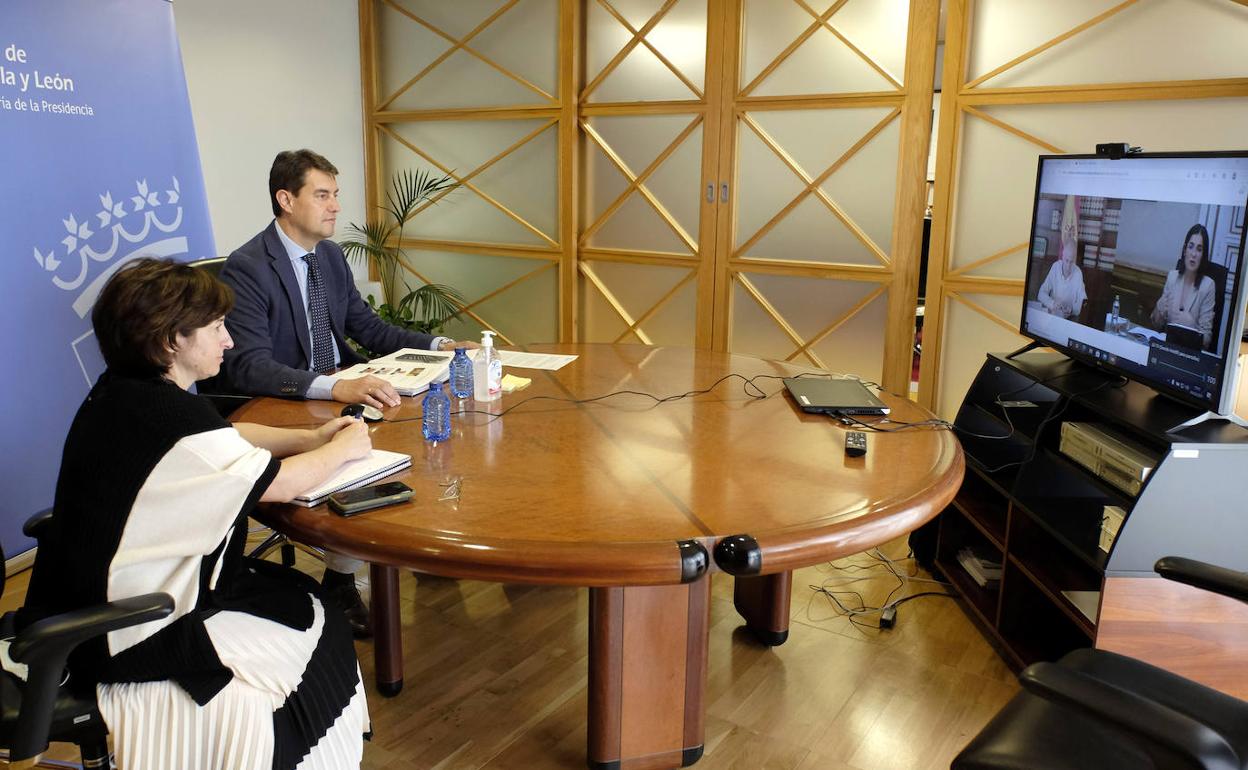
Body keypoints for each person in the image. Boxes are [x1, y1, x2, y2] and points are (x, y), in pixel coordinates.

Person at [18, 258, 371, 769]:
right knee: (317, 625)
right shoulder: (169, 415)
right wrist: (346, 447)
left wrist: (310, 437)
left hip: (76, 592)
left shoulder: (126, 392)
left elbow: (222, 438)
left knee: (306, 603)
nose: (228, 341)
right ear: (169, 342)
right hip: (126, 627)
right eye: (216, 328)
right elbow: (282, 482)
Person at [211, 149, 472, 635]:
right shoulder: (248, 267)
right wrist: (338, 385)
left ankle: (419, 549)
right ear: (285, 199)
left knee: (429, 423)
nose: (335, 207)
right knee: (357, 450)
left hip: (339, 387)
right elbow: (248, 367)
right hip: (285, 401)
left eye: (336, 196)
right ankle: (339, 580)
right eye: (323, 195)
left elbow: (368, 328)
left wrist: (438, 345)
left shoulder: (328, 255)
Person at [1150, 223, 1216, 349]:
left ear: (1203, 255)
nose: (1194, 254)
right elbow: (1157, 325)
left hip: (1189, 354)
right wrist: (1160, 307)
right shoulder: (1172, 277)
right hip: (1167, 348)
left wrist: (1191, 325)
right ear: (1185, 250)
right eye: (1190, 247)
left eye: (1199, 249)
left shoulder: (1208, 286)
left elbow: (1207, 340)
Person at [1037, 199, 1087, 321]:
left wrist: (1071, 309)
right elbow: (1041, 294)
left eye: (1071, 261)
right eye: (1066, 260)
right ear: (1062, 257)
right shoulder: (1055, 267)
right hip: (1053, 315)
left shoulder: (1078, 273)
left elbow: (1082, 302)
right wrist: (1053, 304)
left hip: (1068, 319)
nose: (1068, 265)